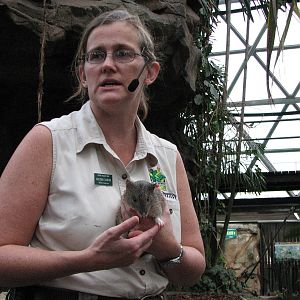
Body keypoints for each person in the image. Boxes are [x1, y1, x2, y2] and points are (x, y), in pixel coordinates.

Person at [0, 9, 205, 300]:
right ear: (84, 75)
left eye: (123, 53)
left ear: (149, 72)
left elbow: (194, 267)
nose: (108, 65)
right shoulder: (48, 141)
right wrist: (89, 259)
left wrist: (166, 247)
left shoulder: (166, 155)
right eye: (96, 55)